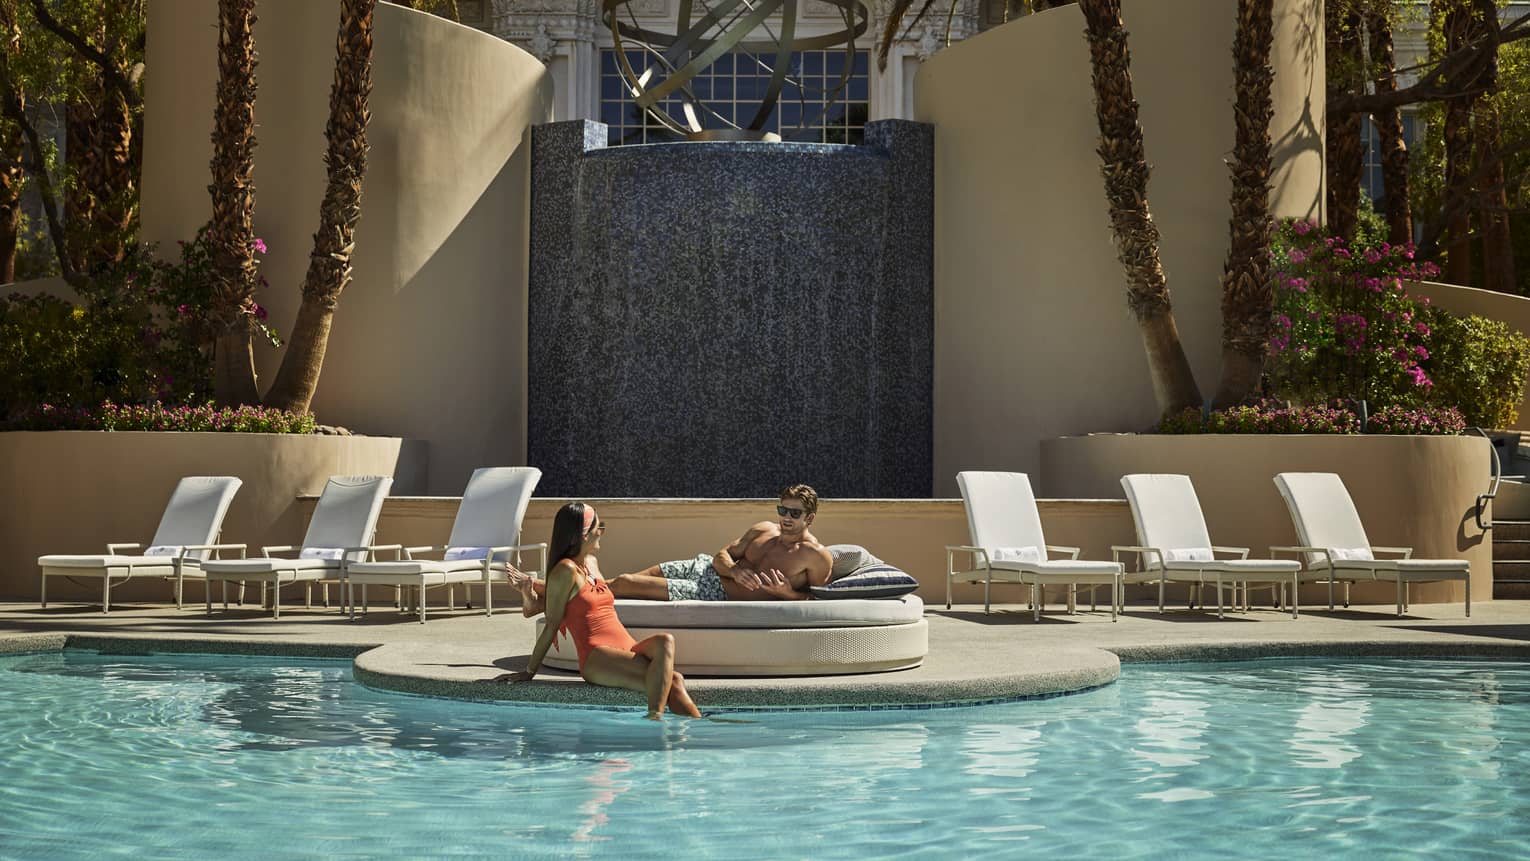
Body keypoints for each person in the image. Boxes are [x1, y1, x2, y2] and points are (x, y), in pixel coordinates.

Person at [496, 501, 700, 721]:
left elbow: (581, 595)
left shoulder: (592, 563)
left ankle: (683, 726)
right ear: (582, 535)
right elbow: (552, 625)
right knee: (673, 681)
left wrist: (534, 585)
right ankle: (656, 721)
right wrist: (529, 671)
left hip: (626, 647)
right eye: (597, 528)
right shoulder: (565, 570)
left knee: (667, 649)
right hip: (597, 654)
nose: (601, 532)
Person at [608, 483, 833, 602]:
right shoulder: (763, 529)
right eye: (783, 510)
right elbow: (720, 556)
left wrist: (786, 593)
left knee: (625, 582)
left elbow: (819, 601)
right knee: (618, 582)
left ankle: (578, 590)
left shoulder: (816, 556)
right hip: (702, 567)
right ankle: (582, 587)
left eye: (794, 513)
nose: (786, 518)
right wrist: (735, 570)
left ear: (809, 518)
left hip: (711, 590)